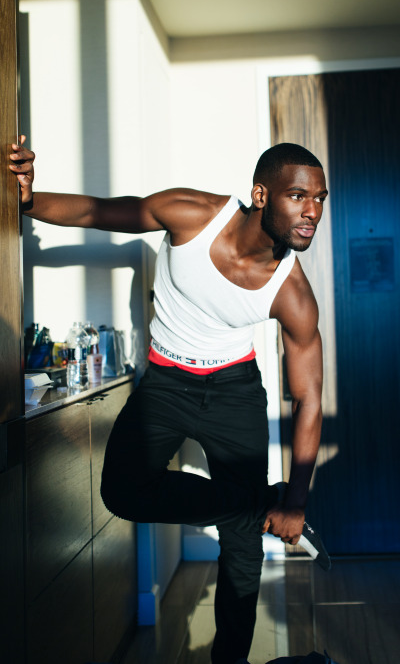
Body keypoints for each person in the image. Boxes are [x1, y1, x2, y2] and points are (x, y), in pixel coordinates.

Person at [10, 138, 330, 664]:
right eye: (298, 196)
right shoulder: (192, 215)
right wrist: (27, 202)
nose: (312, 211)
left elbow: (309, 400)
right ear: (260, 194)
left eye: (320, 198)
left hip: (234, 391)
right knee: (123, 492)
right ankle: (252, 502)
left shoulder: (292, 294)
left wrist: (294, 502)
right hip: (165, 383)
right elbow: (96, 211)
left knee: (243, 550)